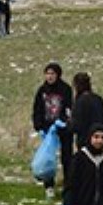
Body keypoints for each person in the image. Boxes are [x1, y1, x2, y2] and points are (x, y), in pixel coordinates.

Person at [31, 62, 74, 191]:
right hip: (47, 129)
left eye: (52, 74)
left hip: (63, 129)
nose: (50, 77)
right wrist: (39, 126)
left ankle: (68, 183)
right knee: (48, 158)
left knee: (67, 156)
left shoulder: (65, 89)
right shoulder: (42, 90)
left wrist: (64, 122)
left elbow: (69, 108)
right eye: (47, 73)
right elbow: (37, 109)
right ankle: (49, 184)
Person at [69, 73, 103, 155]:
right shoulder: (97, 99)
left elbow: (75, 126)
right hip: (101, 140)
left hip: (85, 142)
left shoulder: (80, 102)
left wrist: (68, 123)